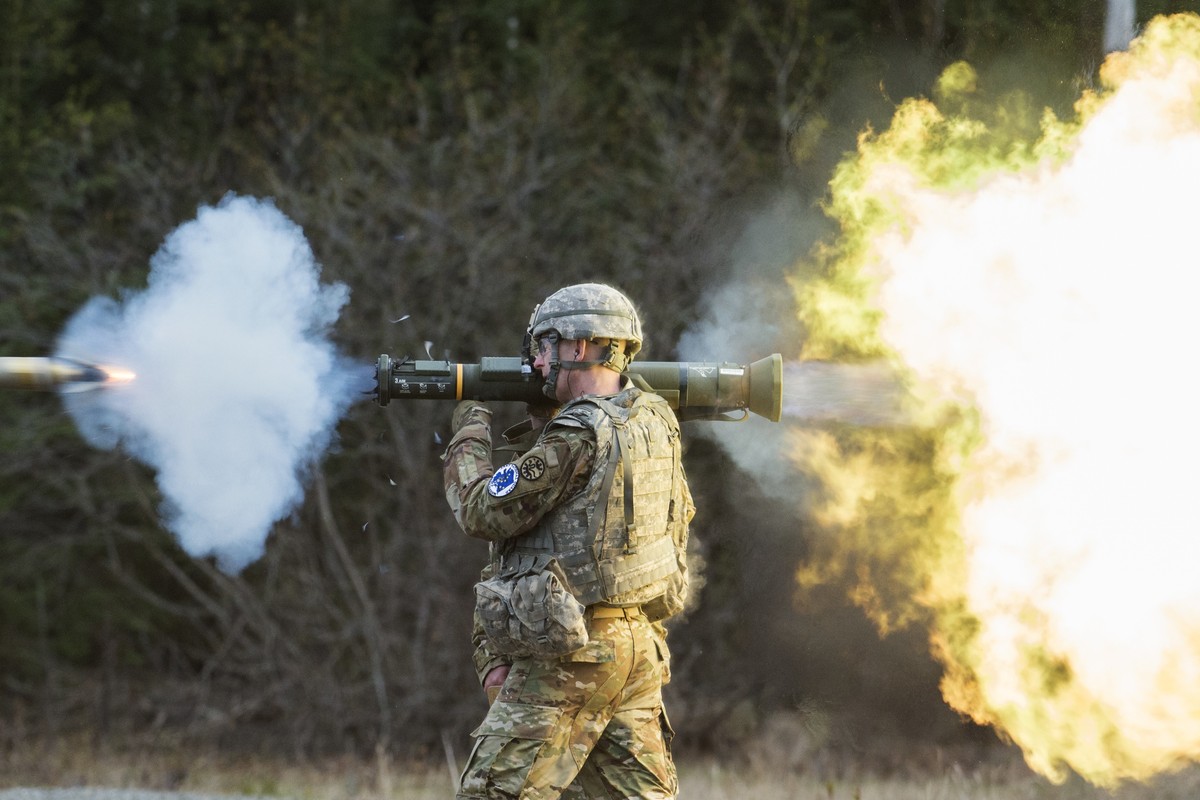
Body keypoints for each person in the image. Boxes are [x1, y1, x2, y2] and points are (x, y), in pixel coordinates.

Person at [442, 283, 694, 800]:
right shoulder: (654, 419)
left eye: (542, 346)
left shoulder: (578, 433)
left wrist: (469, 423)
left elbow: (480, 509)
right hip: (637, 649)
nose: (534, 362)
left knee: (494, 793)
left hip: (573, 654)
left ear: (577, 347)